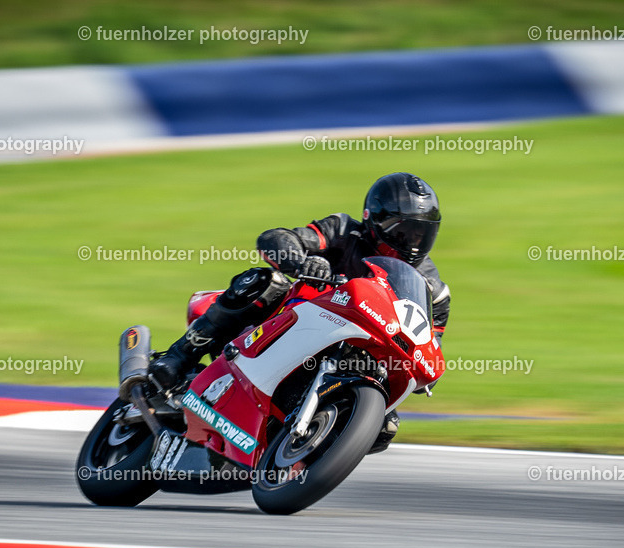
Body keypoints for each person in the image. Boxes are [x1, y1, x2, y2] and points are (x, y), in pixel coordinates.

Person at [149, 172, 451, 452]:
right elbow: (278, 239)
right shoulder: (344, 231)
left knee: (384, 427)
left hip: (363, 353)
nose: (412, 243)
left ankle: (299, 454)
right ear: (374, 219)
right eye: (404, 232)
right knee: (263, 282)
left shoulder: (433, 289)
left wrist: (426, 369)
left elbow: (429, 339)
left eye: (420, 235)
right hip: (301, 316)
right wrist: (299, 262)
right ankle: (179, 356)